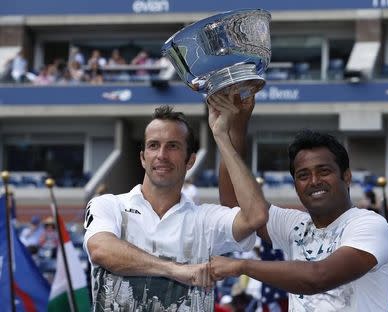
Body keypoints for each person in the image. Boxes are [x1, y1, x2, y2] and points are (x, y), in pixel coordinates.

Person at [207, 95, 388, 311]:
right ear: (295, 184)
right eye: (303, 175)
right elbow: (236, 207)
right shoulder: (296, 226)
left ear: (346, 177)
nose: (314, 181)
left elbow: (318, 277)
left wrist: (242, 265)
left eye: (324, 171)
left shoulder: (369, 225)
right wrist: (233, 128)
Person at [83, 104, 268, 311]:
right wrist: (176, 270)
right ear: (143, 158)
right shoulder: (108, 204)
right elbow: (101, 249)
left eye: (173, 146)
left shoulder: (204, 219)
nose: (161, 155)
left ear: (190, 161)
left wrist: (222, 137)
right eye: (153, 145)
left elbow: (256, 216)